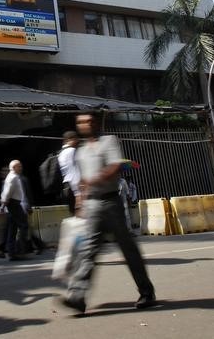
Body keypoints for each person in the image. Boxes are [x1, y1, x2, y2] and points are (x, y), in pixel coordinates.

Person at [59, 114, 156, 314]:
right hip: (92, 204)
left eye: (90, 121)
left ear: (96, 123)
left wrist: (94, 179)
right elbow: (81, 180)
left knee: (128, 248)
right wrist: (80, 201)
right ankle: (77, 296)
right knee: (87, 250)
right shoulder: (81, 151)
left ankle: (146, 292)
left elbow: (115, 167)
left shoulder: (109, 141)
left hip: (111, 202)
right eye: (82, 122)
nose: (86, 124)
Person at [0, 160, 29, 260]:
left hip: (13, 203)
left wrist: (3, 205)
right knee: (24, 226)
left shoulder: (11, 177)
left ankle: (12, 252)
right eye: (19, 166)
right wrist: (3, 205)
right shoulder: (13, 177)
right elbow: (7, 192)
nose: (21, 168)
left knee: (13, 228)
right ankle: (19, 250)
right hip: (14, 204)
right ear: (14, 167)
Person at [57, 131, 80, 214]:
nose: (77, 141)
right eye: (76, 139)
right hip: (74, 188)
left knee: (74, 215)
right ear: (70, 139)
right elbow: (73, 172)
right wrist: (78, 193)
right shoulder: (71, 151)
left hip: (66, 187)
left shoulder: (61, 153)